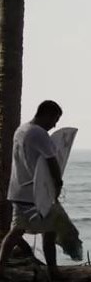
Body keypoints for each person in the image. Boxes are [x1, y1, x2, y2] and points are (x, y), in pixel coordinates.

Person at [0, 101, 64, 279]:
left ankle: (1, 267)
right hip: (36, 193)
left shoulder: (21, 130)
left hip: (19, 190)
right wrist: (58, 183)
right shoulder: (39, 133)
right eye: (55, 119)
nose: (55, 125)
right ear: (47, 114)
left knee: (16, 232)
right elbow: (52, 161)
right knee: (49, 231)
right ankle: (53, 271)